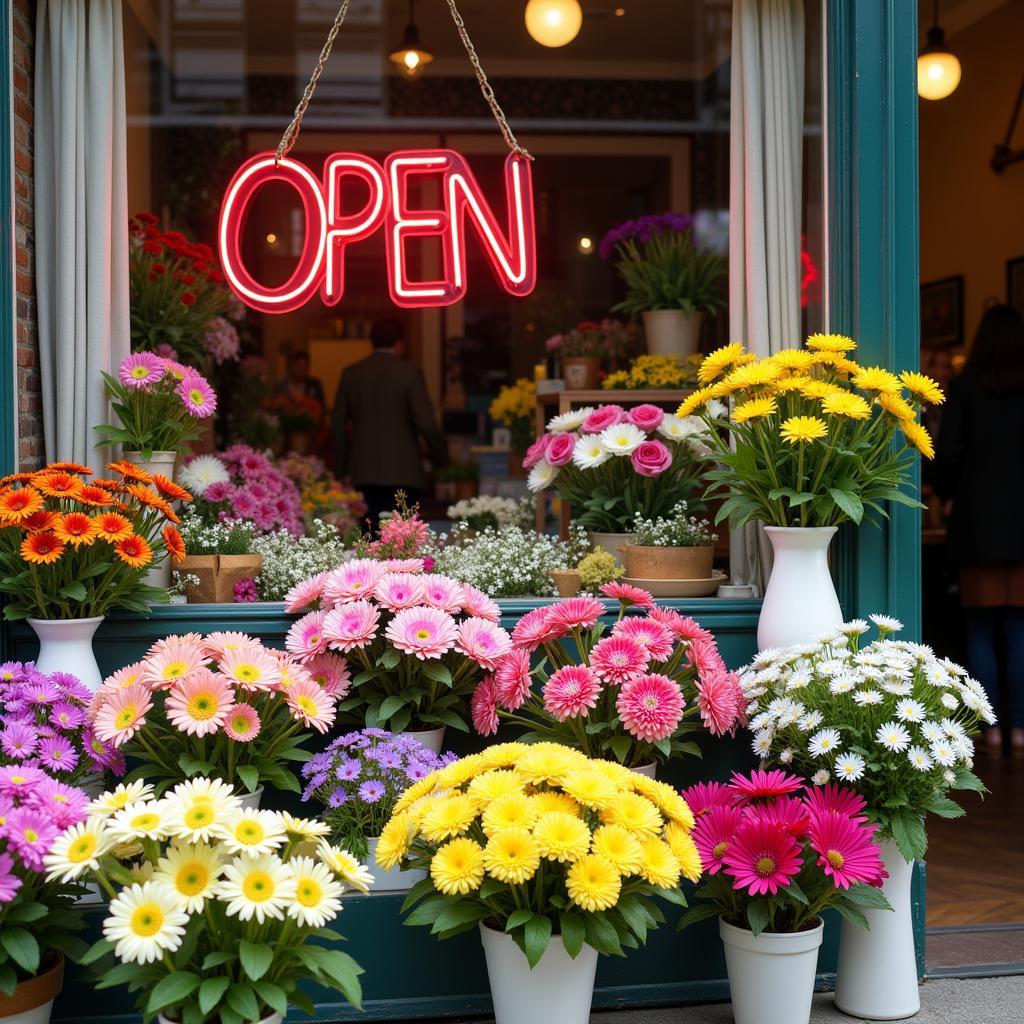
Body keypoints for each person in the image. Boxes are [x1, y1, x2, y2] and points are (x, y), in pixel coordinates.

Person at [935, 304, 1024, 756]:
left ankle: (988, 730)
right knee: (1018, 629)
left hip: (977, 523)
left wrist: (949, 496)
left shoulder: (966, 389)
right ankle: (1020, 728)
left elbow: (947, 454)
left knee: (979, 629)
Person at [331, 317, 448, 530]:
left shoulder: (352, 374)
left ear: (372, 342)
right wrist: (443, 459)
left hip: (362, 471)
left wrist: (341, 469)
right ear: (399, 343)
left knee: (366, 538)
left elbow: (337, 424)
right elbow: (426, 424)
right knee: (402, 542)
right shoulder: (409, 373)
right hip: (404, 472)